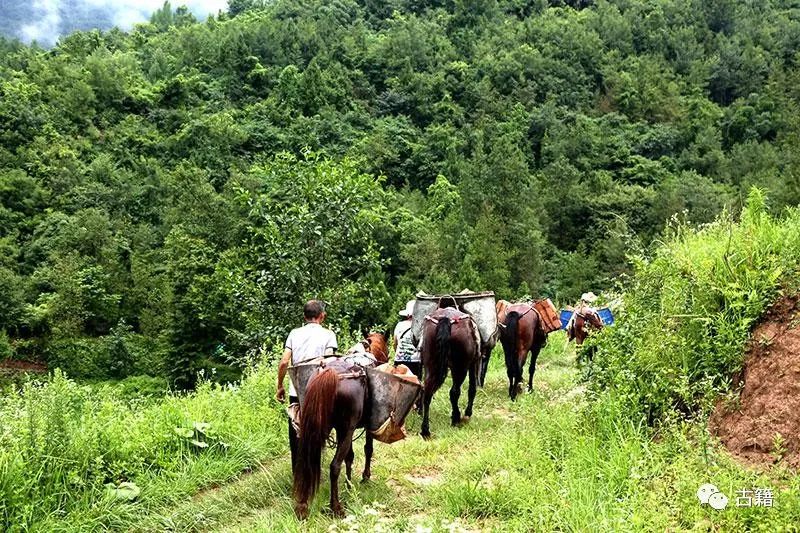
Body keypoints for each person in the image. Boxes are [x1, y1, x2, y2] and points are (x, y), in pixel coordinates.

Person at [276, 300, 338, 475]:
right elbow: (329, 363)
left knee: (296, 431)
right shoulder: (328, 335)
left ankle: (298, 472)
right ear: (322, 316)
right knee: (317, 430)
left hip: (297, 391)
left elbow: (284, 362)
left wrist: (280, 386)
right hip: (318, 393)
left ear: (304, 317)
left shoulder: (294, 334)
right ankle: (313, 470)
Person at [393, 300, 421, 378]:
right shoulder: (420, 326)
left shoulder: (399, 325)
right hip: (415, 361)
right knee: (415, 384)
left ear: (407, 315)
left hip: (399, 360)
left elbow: (395, 343)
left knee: (397, 383)